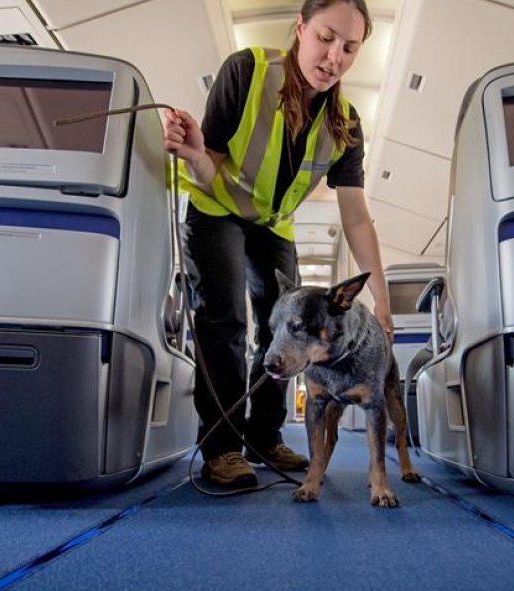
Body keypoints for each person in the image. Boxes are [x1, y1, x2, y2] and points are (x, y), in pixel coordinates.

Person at [163, 0, 393, 487]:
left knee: (287, 323)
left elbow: (355, 215)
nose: (335, 57)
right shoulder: (246, 71)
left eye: (350, 48)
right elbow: (210, 167)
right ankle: (223, 447)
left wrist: (384, 299)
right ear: (301, 27)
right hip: (216, 206)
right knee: (224, 316)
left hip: (272, 223)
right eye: (326, 38)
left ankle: (264, 436)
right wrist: (194, 152)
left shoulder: (345, 124)